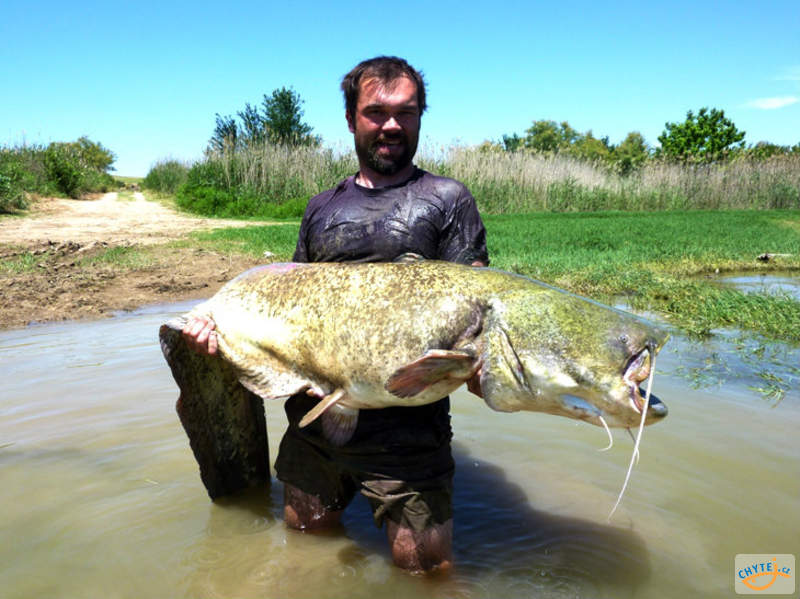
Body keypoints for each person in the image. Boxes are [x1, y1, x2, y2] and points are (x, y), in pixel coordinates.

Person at [183, 56, 489, 573]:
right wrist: (217, 332)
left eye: (406, 112)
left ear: (419, 117)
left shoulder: (448, 199)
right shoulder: (321, 207)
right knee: (305, 550)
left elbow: (476, 314)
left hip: (410, 438)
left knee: (427, 574)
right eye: (376, 112)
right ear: (351, 119)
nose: (392, 125)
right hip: (315, 423)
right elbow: (291, 303)